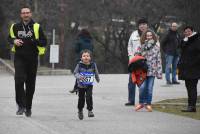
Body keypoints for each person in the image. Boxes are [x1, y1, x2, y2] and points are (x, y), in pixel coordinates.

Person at [8, 7, 47, 117]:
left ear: (31, 14)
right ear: (21, 15)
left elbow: (44, 42)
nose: (26, 15)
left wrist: (35, 41)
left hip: (32, 59)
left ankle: (28, 107)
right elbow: (9, 38)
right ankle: (21, 106)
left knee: (30, 84)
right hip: (19, 58)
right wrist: (14, 40)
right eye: (23, 13)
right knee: (18, 80)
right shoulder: (15, 27)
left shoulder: (36, 27)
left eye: (27, 13)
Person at [135, 30, 162, 112]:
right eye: (147, 36)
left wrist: (159, 73)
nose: (149, 37)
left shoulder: (156, 47)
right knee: (142, 87)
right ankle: (141, 103)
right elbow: (136, 55)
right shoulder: (141, 46)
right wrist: (140, 54)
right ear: (145, 37)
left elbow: (159, 60)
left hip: (152, 70)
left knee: (149, 88)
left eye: (150, 36)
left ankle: (148, 104)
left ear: (153, 37)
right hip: (142, 71)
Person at [126, 17, 148, 106]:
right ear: (138, 26)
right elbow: (129, 46)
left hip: (144, 61)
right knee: (131, 81)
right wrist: (130, 56)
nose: (142, 26)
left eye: (144, 24)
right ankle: (131, 100)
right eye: (140, 24)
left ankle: (142, 101)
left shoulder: (150, 34)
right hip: (134, 61)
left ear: (147, 25)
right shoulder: (134, 34)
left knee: (142, 81)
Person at [178, 26, 200, 112]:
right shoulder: (187, 40)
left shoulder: (197, 40)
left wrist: (193, 63)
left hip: (194, 68)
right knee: (188, 87)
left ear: (192, 31)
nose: (187, 33)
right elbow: (180, 48)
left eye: (189, 31)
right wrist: (184, 41)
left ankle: (192, 106)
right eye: (185, 32)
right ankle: (190, 106)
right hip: (187, 68)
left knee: (192, 87)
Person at [73, 49, 100, 120]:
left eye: (87, 56)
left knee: (89, 97)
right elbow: (75, 73)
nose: (86, 57)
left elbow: (96, 72)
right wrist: (79, 77)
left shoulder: (93, 65)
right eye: (84, 56)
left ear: (90, 57)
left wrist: (97, 79)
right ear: (81, 58)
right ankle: (80, 110)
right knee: (81, 99)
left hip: (89, 85)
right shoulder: (79, 65)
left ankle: (90, 110)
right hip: (81, 85)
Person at [69, 29, 93, 93]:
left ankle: (76, 87)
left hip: (81, 58)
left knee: (78, 73)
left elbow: (76, 49)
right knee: (88, 73)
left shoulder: (79, 41)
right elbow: (92, 49)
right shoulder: (90, 41)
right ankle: (88, 88)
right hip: (89, 59)